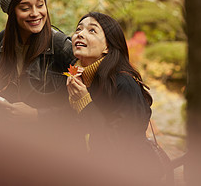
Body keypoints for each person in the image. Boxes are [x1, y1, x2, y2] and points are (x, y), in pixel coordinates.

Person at [66, 12, 167, 185]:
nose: (80, 34)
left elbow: (115, 145)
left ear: (107, 47)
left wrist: (85, 103)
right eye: (78, 29)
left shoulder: (124, 83)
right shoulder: (84, 81)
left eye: (92, 30)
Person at [0, 0, 76, 125]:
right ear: (12, 13)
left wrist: (38, 115)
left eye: (40, 4)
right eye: (25, 8)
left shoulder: (61, 46)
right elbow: (12, 90)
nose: (35, 13)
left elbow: (86, 107)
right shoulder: (3, 42)